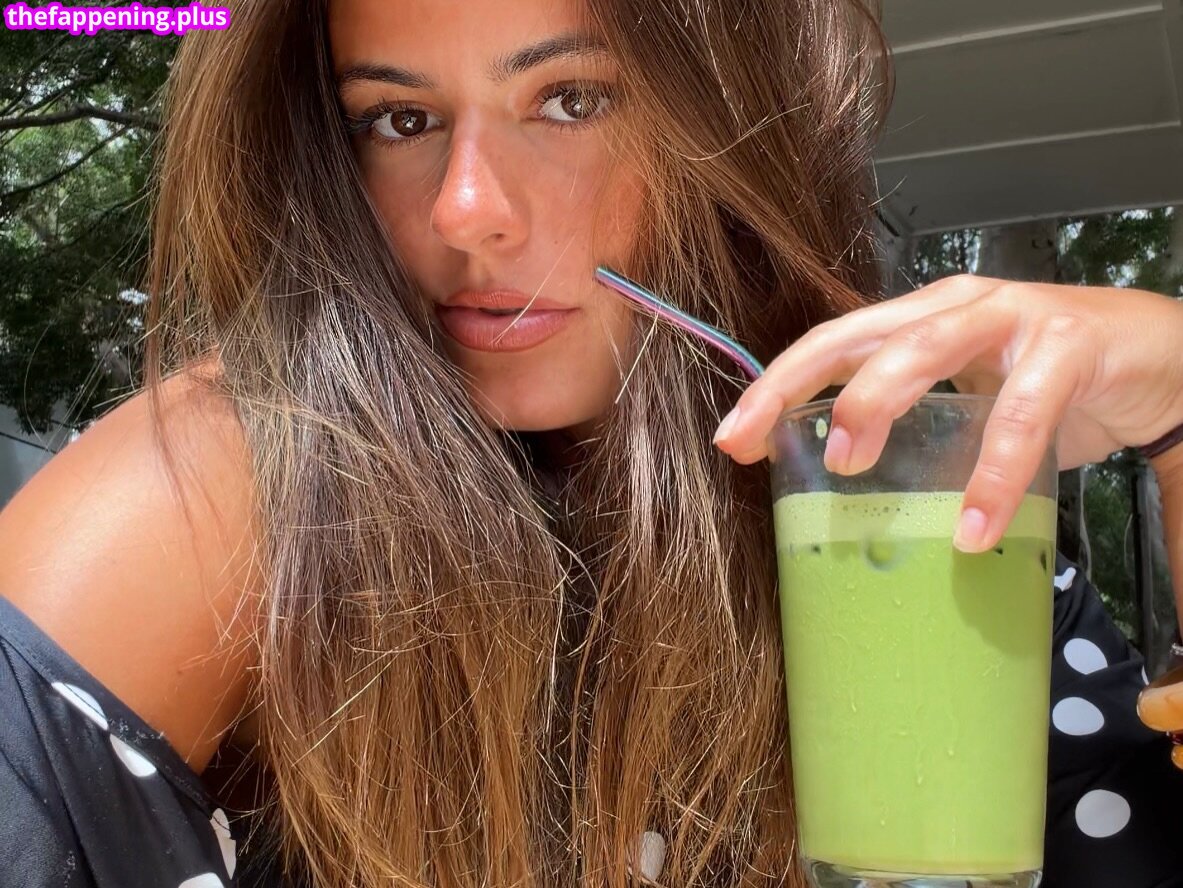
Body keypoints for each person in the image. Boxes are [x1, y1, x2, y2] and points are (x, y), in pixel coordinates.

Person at [0, 0, 1181, 886]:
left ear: (729, 123)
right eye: (399, 119)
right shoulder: (228, 492)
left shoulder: (901, 525)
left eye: (570, 99)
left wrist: (1177, 415)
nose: (467, 209)